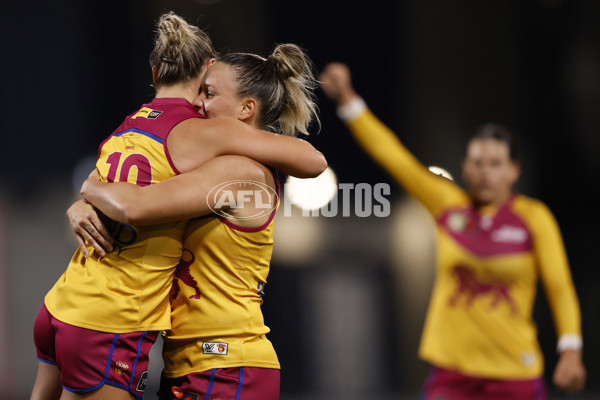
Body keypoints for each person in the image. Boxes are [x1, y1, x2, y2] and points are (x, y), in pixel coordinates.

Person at [31, 12, 325, 400]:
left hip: (225, 363)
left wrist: (88, 188)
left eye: (210, 93)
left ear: (245, 111)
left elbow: (136, 203)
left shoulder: (237, 170)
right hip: (193, 360)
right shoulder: (204, 157)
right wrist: (83, 204)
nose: (199, 104)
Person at [319, 63, 586, 399]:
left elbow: (560, 287)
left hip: (514, 370)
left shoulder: (534, 218)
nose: (485, 172)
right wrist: (348, 99)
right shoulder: (448, 205)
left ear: (514, 170)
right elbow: (393, 155)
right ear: (465, 168)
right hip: (453, 371)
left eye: (496, 164)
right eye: (478, 163)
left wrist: (571, 349)